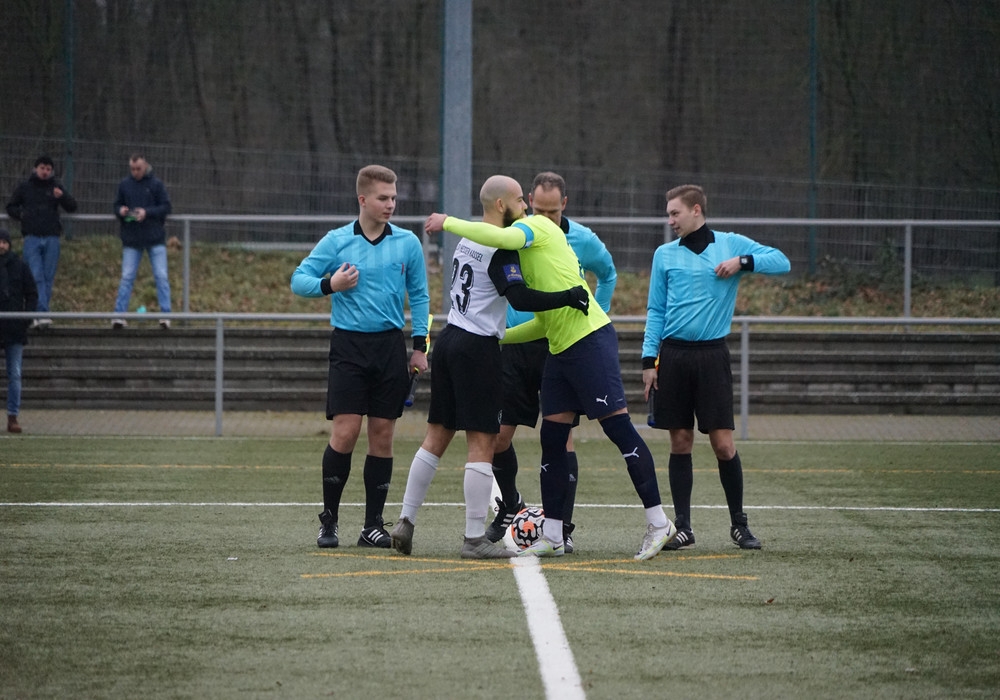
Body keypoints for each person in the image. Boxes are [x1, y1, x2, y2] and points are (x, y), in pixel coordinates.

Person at [425, 175, 676, 561]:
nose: (535, 210)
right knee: (553, 437)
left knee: (618, 428)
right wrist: (495, 338)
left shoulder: (535, 227)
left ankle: (659, 523)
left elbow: (501, 237)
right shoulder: (523, 251)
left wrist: (448, 222)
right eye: (529, 203)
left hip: (589, 341)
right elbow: (542, 321)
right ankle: (554, 534)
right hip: (559, 347)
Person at [389, 178, 590, 559]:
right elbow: (520, 297)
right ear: (501, 205)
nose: (525, 208)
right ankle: (473, 539)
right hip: (477, 348)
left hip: (449, 338)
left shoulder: (467, 240)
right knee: (482, 444)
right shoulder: (501, 247)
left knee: (435, 438)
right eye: (519, 201)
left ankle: (406, 520)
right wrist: (567, 296)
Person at [642, 184, 790, 551]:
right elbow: (656, 310)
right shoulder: (664, 254)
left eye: (675, 213)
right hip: (673, 357)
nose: (670, 220)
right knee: (680, 441)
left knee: (723, 445)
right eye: (668, 214)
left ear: (695, 210)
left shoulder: (729, 244)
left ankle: (739, 524)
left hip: (712, 357)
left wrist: (743, 262)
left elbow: (781, 261)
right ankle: (683, 527)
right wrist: (648, 361)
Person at [291, 164, 430, 550]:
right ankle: (329, 521)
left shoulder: (407, 243)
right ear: (363, 199)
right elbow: (298, 280)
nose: (391, 204)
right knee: (346, 432)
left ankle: (372, 526)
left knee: (382, 435)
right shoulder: (336, 240)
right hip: (349, 347)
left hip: (389, 348)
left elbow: (420, 295)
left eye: (394, 198)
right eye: (383, 198)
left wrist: (420, 346)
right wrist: (330, 284)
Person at [487, 171, 618, 554]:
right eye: (539, 210)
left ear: (565, 204)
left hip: (562, 346)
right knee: (498, 437)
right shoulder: (518, 232)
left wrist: (593, 314)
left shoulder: (583, 239)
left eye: (552, 211)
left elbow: (607, 274)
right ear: (528, 201)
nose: (544, 217)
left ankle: (563, 527)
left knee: (562, 438)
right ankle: (511, 504)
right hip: (517, 348)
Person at [5, 155, 77, 328]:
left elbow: (72, 206)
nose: (45, 172)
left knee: (47, 277)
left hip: (52, 237)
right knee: (36, 275)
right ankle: (42, 313)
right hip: (32, 237)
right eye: (42, 168)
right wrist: (22, 215)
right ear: (35, 168)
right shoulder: (25, 187)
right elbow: (10, 207)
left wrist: (62, 196)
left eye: (48, 169)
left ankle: (40, 312)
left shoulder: (56, 186)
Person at [111, 154, 174, 329]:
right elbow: (116, 205)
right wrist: (121, 211)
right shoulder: (125, 185)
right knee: (127, 277)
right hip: (132, 238)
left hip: (154, 237)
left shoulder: (156, 185)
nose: (135, 172)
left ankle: (166, 315)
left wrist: (147, 212)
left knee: (161, 276)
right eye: (132, 169)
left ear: (145, 166)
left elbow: (166, 207)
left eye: (138, 169)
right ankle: (119, 315)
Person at [0, 227, 39, 433]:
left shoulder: (20, 266)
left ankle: (12, 417)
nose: (1, 245)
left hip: (15, 329)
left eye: (4, 242)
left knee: (14, 374)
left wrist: (26, 319)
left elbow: (31, 293)